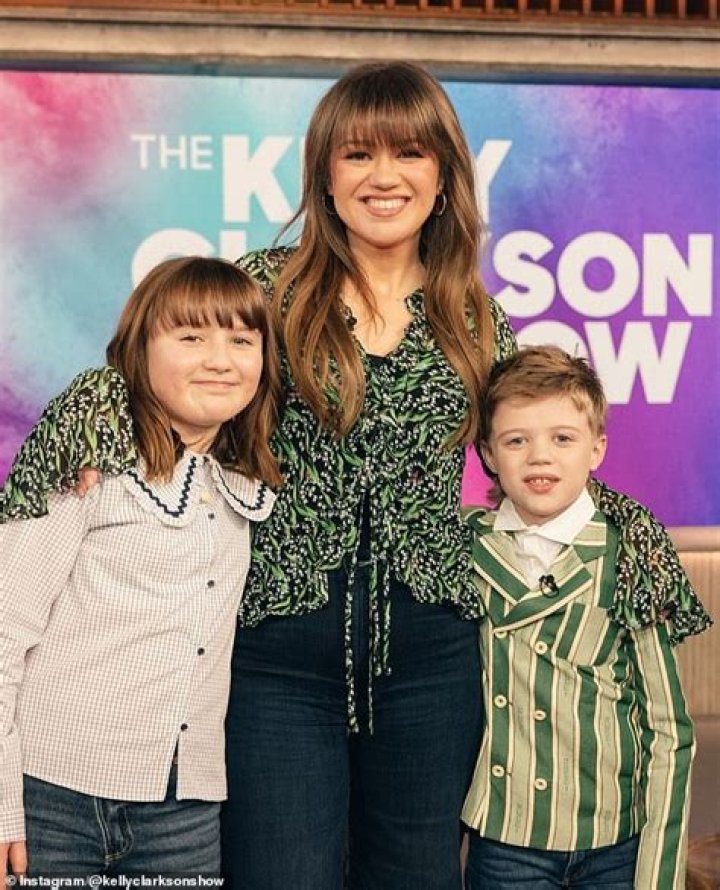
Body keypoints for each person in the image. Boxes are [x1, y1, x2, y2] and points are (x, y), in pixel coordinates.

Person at [0, 64, 709, 889]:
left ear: (442, 176)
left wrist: (632, 533)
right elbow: (166, 372)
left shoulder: (477, 318)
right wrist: (89, 413)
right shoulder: (267, 289)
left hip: (432, 669)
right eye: (358, 154)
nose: (383, 176)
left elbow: (538, 451)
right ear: (325, 178)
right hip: (276, 665)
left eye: (409, 153)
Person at [0, 256, 281, 882]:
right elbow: (3, 629)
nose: (220, 360)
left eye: (242, 341)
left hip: (185, 808)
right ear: (140, 350)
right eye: (191, 338)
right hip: (53, 796)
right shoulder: (86, 464)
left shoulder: (247, 481)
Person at [461, 345, 711, 890]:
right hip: (507, 839)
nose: (539, 457)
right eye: (516, 440)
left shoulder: (630, 553)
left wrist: (659, 874)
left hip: (614, 840)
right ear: (488, 452)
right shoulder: (466, 551)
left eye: (562, 438)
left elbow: (668, 730)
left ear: (597, 448)